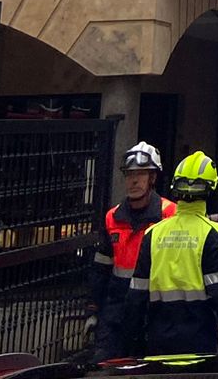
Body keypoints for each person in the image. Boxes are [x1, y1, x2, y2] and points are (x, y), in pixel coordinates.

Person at [125, 151, 218, 358]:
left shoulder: (153, 234)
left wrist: (133, 338)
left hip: (157, 341)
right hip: (199, 341)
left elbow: (137, 294)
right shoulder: (214, 234)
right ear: (211, 188)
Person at [91, 142, 177, 358]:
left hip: (154, 311)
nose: (134, 180)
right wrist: (91, 310)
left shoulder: (170, 214)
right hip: (116, 312)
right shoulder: (113, 217)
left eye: (141, 174)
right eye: (130, 175)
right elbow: (101, 268)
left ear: (153, 178)